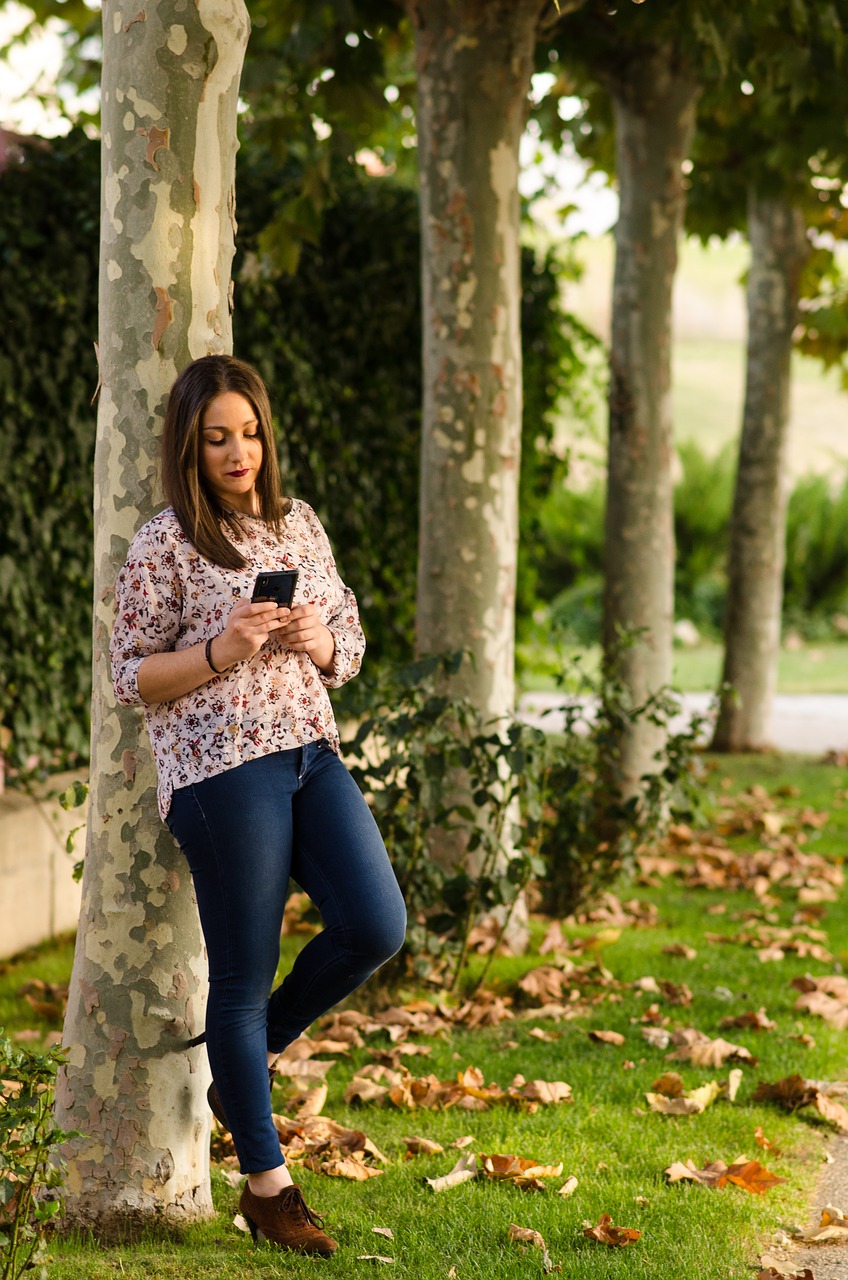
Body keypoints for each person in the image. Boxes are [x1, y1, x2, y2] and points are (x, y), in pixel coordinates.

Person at [110, 355, 406, 1256]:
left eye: (248, 433)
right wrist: (218, 648)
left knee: (376, 924)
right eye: (216, 438)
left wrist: (320, 639)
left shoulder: (297, 523)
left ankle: (244, 1069)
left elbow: (350, 635)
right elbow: (131, 673)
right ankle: (268, 1189)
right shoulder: (164, 542)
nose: (238, 452)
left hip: (312, 756)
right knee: (242, 974)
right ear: (189, 448)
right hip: (219, 769)